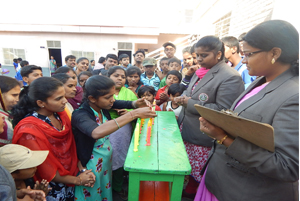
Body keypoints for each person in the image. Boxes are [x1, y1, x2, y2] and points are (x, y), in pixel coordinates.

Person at [195, 20, 299, 201]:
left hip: (245, 191)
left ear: (275, 53)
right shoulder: (261, 82)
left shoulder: (293, 96)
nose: (243, 60)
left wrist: (223, 138)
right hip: (221, 181)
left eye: (249, 54)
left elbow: (286, 166)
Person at [175, 35, 244, 199]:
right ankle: (190, 192)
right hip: (188, 130)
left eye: (203, 55)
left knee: (202, 175)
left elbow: (223, 110)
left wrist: (189, 103)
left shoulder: (230, 77)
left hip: (204, 137)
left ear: (218, 54)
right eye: (197, 55)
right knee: (191, 171)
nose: (198, 59)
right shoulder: (199, 72)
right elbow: (189, 92)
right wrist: (183, 98)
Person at [71, 75, 157, 200]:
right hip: (90, 165)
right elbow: (96, 132)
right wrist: (134, 114)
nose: (112, 100)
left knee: (104, 192)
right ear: (92, 98)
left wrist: (134, 103)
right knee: (92, 194)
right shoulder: (80, 114)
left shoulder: (102, 106)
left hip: (105, 162)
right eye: (108, 97)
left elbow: (116, 102)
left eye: (113, 95)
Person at [11, 77, 96, 200]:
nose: (65, 101)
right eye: (59, 98)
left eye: (64, 96)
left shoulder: (61, 115)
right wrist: (78, 180)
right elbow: (45, 169)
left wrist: (82, 170)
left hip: (71, 176)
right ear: (41, 103)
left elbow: (73, 145)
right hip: (50, 185)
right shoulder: (29, 131)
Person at [107, 66, 138, 199]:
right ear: (108, 77)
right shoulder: (103, 91)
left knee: (120, 156)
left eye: (123, 76)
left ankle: (117, 187)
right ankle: (107, 186)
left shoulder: (130, 93)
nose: (120, 78)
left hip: (124, 130)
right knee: (108, 158)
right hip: (106, 128)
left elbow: (135, 110)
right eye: (116, 75)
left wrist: (129, 113)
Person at [0, 76, 21, 146]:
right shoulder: (3, 121)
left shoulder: (7, 113)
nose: (18, 99)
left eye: (18, 95)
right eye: (14, 95)